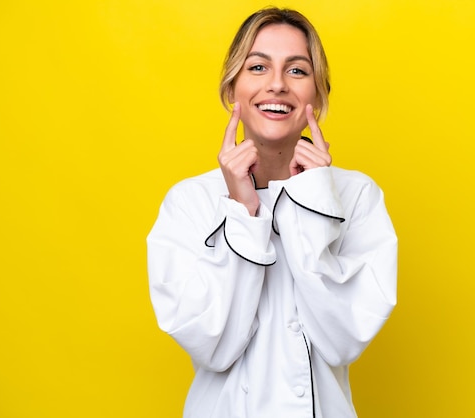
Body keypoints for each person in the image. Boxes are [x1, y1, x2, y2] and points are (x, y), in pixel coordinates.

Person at [147, 7, 397, 418]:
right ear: (232, 90)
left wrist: (314, 202)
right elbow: (214, 346)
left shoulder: (357, 197)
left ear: (317, 95)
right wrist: (243, 212)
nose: (277, 85)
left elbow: (343, 338)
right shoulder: (188, 202)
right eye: (258, 67)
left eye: (297, 71)